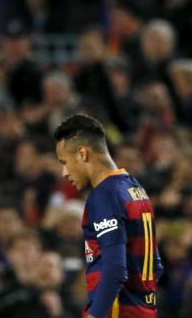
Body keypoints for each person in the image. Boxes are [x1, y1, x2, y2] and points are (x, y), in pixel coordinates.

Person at [53, 114, 163, 318]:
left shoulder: (104, 195)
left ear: (82, 153)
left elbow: (115, 270)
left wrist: (95, 314)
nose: (64, 173)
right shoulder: (136, 189)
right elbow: (156, 265)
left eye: (65, 162)